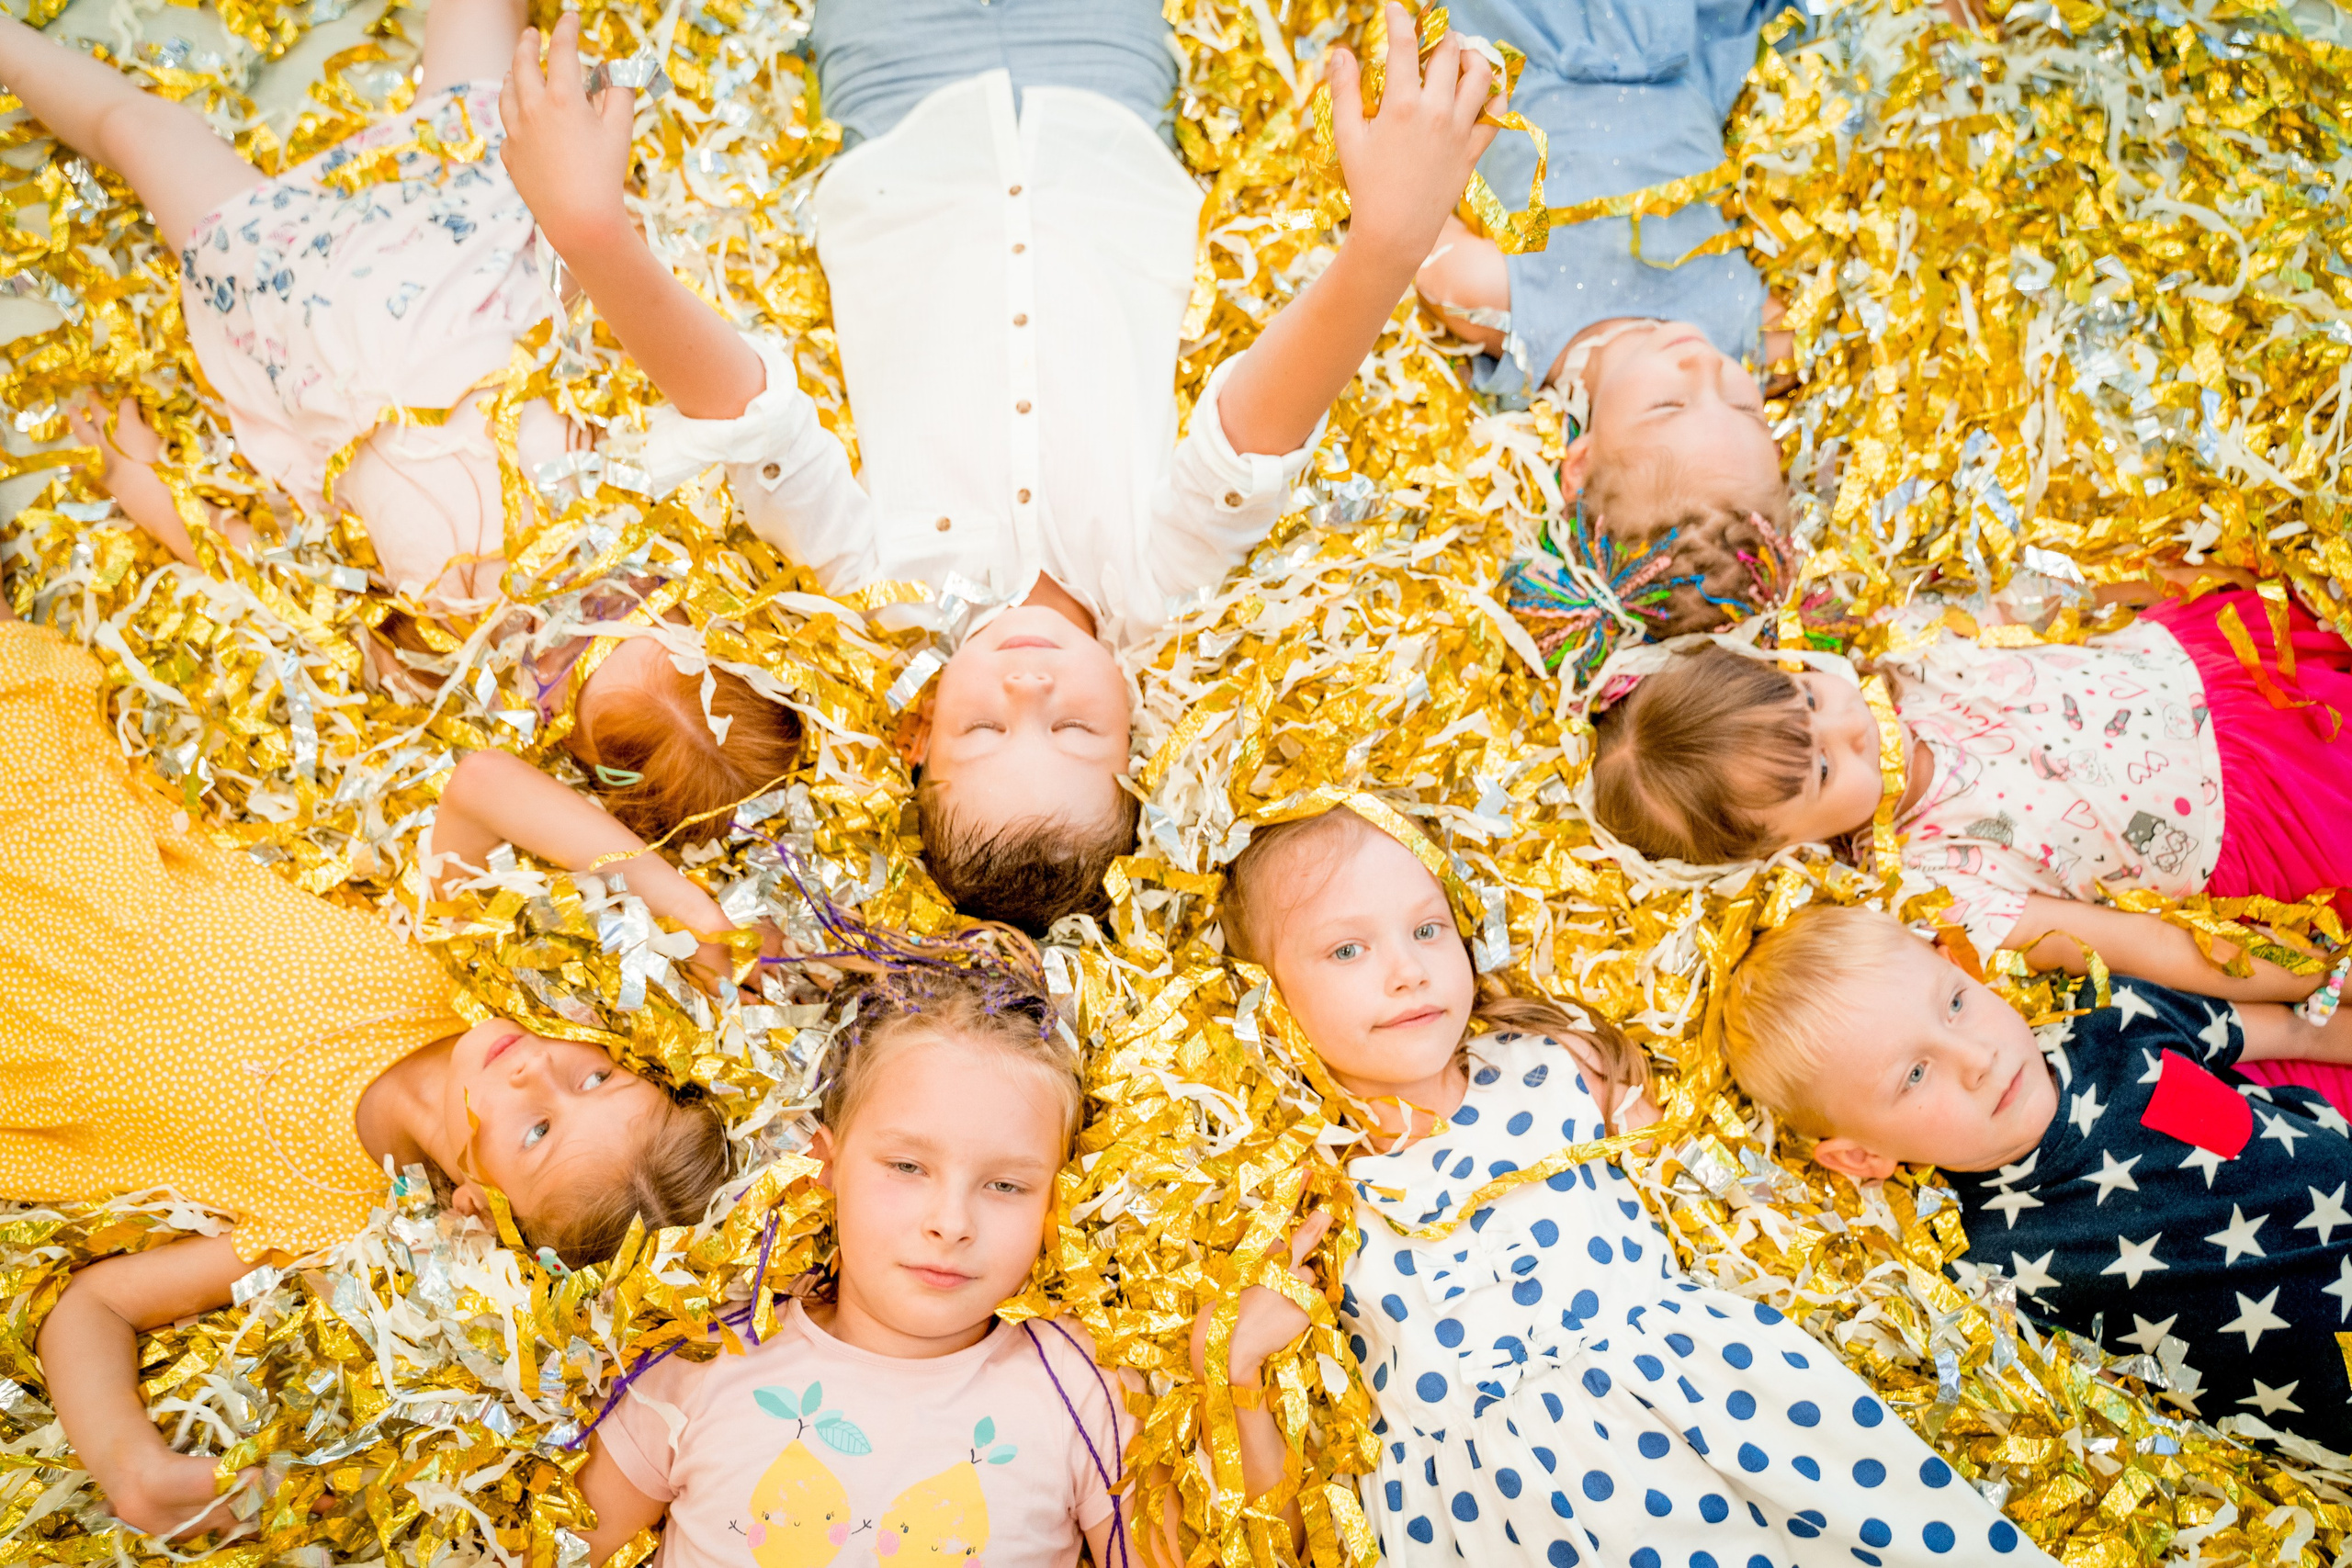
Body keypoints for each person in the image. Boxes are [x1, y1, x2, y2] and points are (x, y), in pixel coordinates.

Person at [496, 0, 1504, 934]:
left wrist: (593, 235)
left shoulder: (876, 587)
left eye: (985, 731)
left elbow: (754, 419)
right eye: (1071, 731)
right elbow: (1251, 441)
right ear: (1137, 744)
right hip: (1101, 97)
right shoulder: (1157, 587)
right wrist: (1381, 247)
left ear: (919, 737)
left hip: (897, 103)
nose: (1028, 686)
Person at [0, 610, 733, 1542]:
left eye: (536, 1133)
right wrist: (682, 901)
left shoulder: (325, 1218)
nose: (538, 1074)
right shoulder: (440, 975)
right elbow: (478, 786)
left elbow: (94, 1306)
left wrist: (127, 1462)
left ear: (477, 1206)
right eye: (594, 1082)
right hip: (63, 828)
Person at [1, 0, 802, 846]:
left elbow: (287, 585)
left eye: (565, 668)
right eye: (621, 607)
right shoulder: (659, 506)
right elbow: (632, 351)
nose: (566, 621)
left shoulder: (446, 662)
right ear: (684, 605)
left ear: (566, 738)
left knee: (141, 131)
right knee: (479, 43)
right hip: (468, 246)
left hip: (302, 309)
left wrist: (143, 482)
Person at [1214, 802, 2052, 1564]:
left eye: (1428, 930)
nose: (1408, 971)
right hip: (1497, 1519)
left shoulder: (1554, 1064)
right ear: (1267, 995)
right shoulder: (1311, 1191)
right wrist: (1239, 1366)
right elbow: (1284, 1531)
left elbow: (1717, 1177)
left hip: (1706, 1411)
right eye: (1348, 949)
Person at [1587, 589, 2352, 1109]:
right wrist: (2306, 975)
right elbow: (2142, 943)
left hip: (2238, 682)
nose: (1851, 728)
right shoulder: (1940, 879)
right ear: (1785, 849)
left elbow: (2063, 618)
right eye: (1823, 770)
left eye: (1809, 697)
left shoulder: (1912, 655)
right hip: (2263, 815)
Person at [570, 961, 1206, 1567]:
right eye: (906, 1166)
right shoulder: (704, 1361)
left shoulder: (1078, 1385)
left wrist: (1243, 1382)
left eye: (1006, 1185)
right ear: (825, 1166)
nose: (951, 1223)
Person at [1421, 0, 1976, 637]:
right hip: (1681, 57)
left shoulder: (1522, 321)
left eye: (1668, 407)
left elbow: (1419, 238)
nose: (1703, 365)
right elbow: (1870, 320)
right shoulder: (1756, 343)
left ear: (1580, 464)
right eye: (1744, 409)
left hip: (1538, 45)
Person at [1719, 902, 2352, 1451]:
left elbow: (2304, 1031)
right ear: (1862, 1157)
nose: (1976, 1059)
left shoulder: (2115, 1020)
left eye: (1956, 1003)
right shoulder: (1979, 1269)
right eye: (1914, 1074)